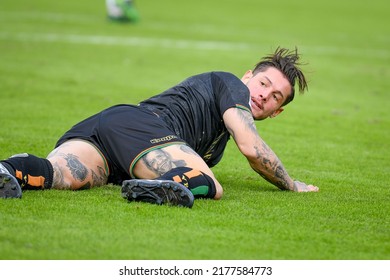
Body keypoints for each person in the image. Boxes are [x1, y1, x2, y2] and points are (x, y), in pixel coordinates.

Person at [0, 47, 319, 208]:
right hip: (141, 127)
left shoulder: (217, 138)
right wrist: (291, 184)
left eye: (275, 96)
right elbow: (251, 147)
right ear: (247, 76)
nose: (263, 95)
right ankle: (157, 187)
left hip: (110, 136)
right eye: (263, 83)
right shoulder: (232, 84)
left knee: (62, 174)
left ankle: (9, 170)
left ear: (277, 111)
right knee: (211, 184)